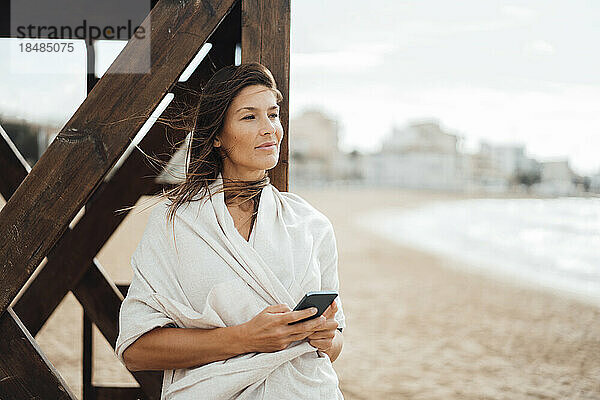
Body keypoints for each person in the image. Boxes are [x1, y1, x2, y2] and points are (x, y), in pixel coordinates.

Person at [115, 62, 347, 399]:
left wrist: (327, 337)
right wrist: (247, 338)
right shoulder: (176, 222)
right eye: (250, 117)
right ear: (217, 137)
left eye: (273, 114)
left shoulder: (311, 224)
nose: (270, 129)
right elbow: (136, 350)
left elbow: (335, 343)